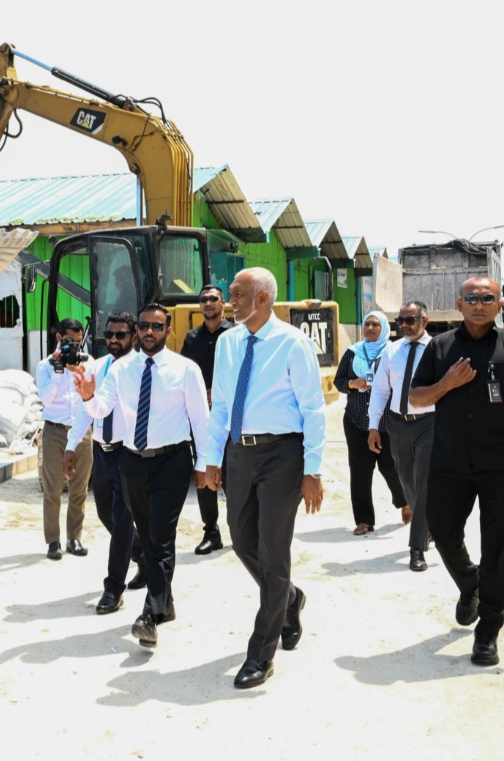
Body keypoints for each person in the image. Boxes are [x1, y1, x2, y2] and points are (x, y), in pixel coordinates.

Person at [407, 276, 504, 669]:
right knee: (442, 530)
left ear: (499, 304)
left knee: (496, 545)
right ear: (459, 304)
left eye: (488, 298)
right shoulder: (439, 347)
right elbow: (415, 398)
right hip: (449, 459)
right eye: (471, 298)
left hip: (500, 463)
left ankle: (488, 630)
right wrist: (446, 383)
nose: (479, 304)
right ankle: (471, 583)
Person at [200, 268, 324, 689]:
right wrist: (212, 458)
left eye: (238, 294)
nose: (230, 301)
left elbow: (312, 409)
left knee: (273, 553)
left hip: (282, 455)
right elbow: (221, 405)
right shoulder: (228, 343)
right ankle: (289, 598)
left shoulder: (293, 343)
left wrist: (312, 470)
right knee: (241, 540)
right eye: (231, 294)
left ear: (264, 298)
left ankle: (261, 655)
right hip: (239, 452)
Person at [74, 303, 211, 650]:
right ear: (138, 332)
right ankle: (166, 602)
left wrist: (205, 463)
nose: (150, 331)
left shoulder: (185, 369)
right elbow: (102, 408)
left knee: (161, 539)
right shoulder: (121, 369)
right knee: (149, 540)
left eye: (157, 326)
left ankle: (150, 615)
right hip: (132, 461)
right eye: (145, 326)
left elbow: (201, 420)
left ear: (168, 330)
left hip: (172, 462)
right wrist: (88, 396)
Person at [65, 312, 147, 615]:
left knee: (122, 520)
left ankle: (113, 589)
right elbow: (85, 410)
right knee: (105, 514)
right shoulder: (97, 367)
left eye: (120, 335)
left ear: (134, 337)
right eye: (109, 334)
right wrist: (71, 446)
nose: (113, 340)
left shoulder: (141, 369)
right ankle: (144, 556)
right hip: (102, 452)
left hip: (129, 453)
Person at [368, 301, 437, 572]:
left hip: (429, 423)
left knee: (424, 483)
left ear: (425, 321)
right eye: (400, 321)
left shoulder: (437, 350)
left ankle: (416, 548)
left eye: (410, 320)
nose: (404, 325)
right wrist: (374, 426)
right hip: (398, 425)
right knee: (407, 483)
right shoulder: (392, 350)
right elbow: (380, 390)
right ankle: (428, 526)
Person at [334, 311, 406, 538]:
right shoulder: (353, 352)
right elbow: (338, 381)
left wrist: (385, 386)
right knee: (360, 472)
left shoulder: (394, 352)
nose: (370, 328)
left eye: (376, 325)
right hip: (356, 421)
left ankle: (405, 502)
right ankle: (364, 520)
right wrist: (353, 383)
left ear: (384, 328)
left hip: (387, 422)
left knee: (391, 467)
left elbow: (403, 380)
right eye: (367, 324)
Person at [180, 284, 231, 556]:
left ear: (223, 303)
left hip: (232, 416)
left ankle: (242, 528)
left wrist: (220, 393)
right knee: (204, 470)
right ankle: (211, 532)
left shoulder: (235, 334)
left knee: (233, 475)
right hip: (201, 418)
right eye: (203, 300)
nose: (208, 303)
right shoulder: (192, 338)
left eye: (213, 299)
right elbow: (184, 373)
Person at [36, 318, 94, 560]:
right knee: (52, 489)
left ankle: (74, 538)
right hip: (54, 431)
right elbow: (46, 399)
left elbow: (91, 396)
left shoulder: (88, 363)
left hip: (81, 431)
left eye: (79, 341)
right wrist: (60, 371)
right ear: (59, 338)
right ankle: (53, 541)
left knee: (80, 488)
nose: (75, 346)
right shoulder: (45, 366)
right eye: (70, 341)